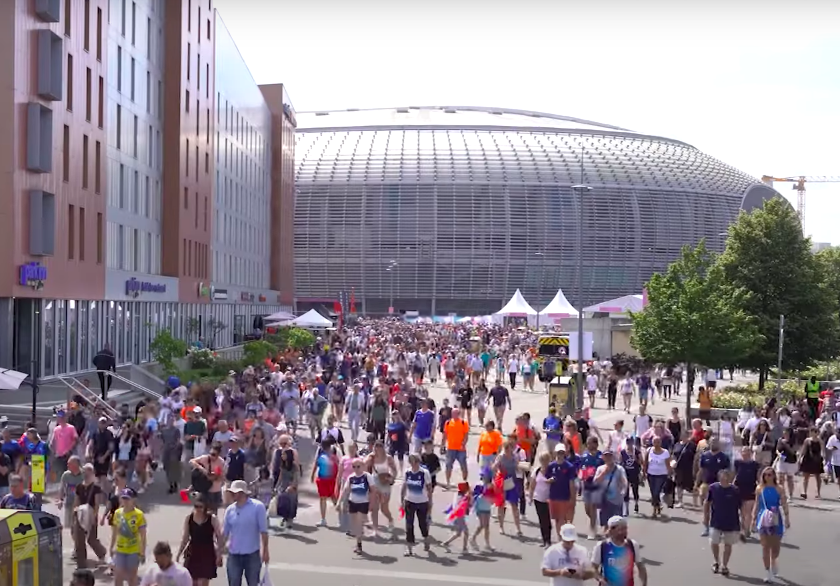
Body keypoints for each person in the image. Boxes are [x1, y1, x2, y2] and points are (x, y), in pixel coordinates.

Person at [222, 480, 269, 586]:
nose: (232, 494)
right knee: (233, 583)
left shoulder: (258, 507)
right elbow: (224, 533)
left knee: (253, 583)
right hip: (234, 555)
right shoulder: (230, 510)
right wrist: (218, 552)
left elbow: (263, 531)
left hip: (252, 554)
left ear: (242, 493)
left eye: (234, 492)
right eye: (231, 492)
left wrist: (265, 551)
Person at [751, 468, 790, 583]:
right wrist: (753, 519)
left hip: (776, 518)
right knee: (765, 546)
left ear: (774, 476)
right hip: (763, 518)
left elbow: (784, 503)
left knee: (775, 548)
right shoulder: (759, 488)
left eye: (770, 475)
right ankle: (767, 572)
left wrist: (787, 517)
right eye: (766, 475)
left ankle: (773, 561)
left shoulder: (779, 489)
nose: (768, 477)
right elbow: (757, 504)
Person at [177, 494, 222, 585]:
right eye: (196, 506)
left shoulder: (212, 519)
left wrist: (219, 554)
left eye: (200, 507)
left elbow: (219, 537)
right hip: (193, 551)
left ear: (205, 507)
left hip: (207, 552)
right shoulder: (189, 518)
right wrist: (178, 554)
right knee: (192, 581)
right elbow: (185, 537)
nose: (198, 509)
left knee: (204, 581)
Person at [704, 469, 742, 576]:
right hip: (716, 520)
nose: (724, 479)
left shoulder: (735, 490)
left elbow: (740, 506)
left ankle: (725, 565)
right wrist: (705, 517)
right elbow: (707, 503)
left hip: (731, 521)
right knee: (714, 542)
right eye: (722, 477)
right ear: (719, 477)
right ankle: (716, 561)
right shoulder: (713, 488)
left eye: (726, 477)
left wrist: (743, 521)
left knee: (728, 544)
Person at [590, 516, 647, 586]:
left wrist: (644, 583)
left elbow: (640, 566)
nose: (623, 532)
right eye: (620, 529)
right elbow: (593, 567)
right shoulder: (602, 546)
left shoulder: (632, 545)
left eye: (625, 528)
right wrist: (600, 579)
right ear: (611, 530)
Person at [337, 457, 377, 554]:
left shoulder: (367, 476)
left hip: (363, 503)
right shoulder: (351, 478)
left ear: (363, 466)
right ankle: (360, 536)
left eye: (358, 466)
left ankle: (359, 545)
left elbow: (373, 490)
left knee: (359, 523)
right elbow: (345, 490)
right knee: (355, 525)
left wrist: (372, 503)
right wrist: (339, 502)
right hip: (353, 502)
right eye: (354, 467)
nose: (356, 469)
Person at [109, 488, 146, 586]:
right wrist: (111, 547)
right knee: (118, 576)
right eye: (123, 498)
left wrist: (142, 552)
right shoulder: (117, 513)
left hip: (133, 550)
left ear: (133, 500)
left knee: (132, 577)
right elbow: (114, 532)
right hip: (120, 549)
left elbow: (143, 536)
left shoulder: (139, 514)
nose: (125, 501)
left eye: (128, 499)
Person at [401, 453, 432, 556]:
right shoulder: (407, 472)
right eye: (411, 462)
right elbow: (404, 486)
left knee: (422, 524)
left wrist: (430, 502)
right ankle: (409, 547)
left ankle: (426, 538)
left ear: (418, 462)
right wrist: (402, 499)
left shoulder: (424, 473)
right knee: (409, 524)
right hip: (409, 501)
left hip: (422, 502)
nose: (413, 464)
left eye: (415, 462)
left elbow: (429, 488)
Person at [443, 408, 469, 486]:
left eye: (456, 413)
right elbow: (445, 434)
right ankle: (448, 482)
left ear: (459, 414)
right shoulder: (448, 423)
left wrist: (463, 444)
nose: (454, 415)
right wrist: (442, 445)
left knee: (463, 465)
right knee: (448, 465)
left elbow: (466, 435)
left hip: (461, 449)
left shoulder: (463, 423)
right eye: (452, 413)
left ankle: (465, 480)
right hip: (450, 448)